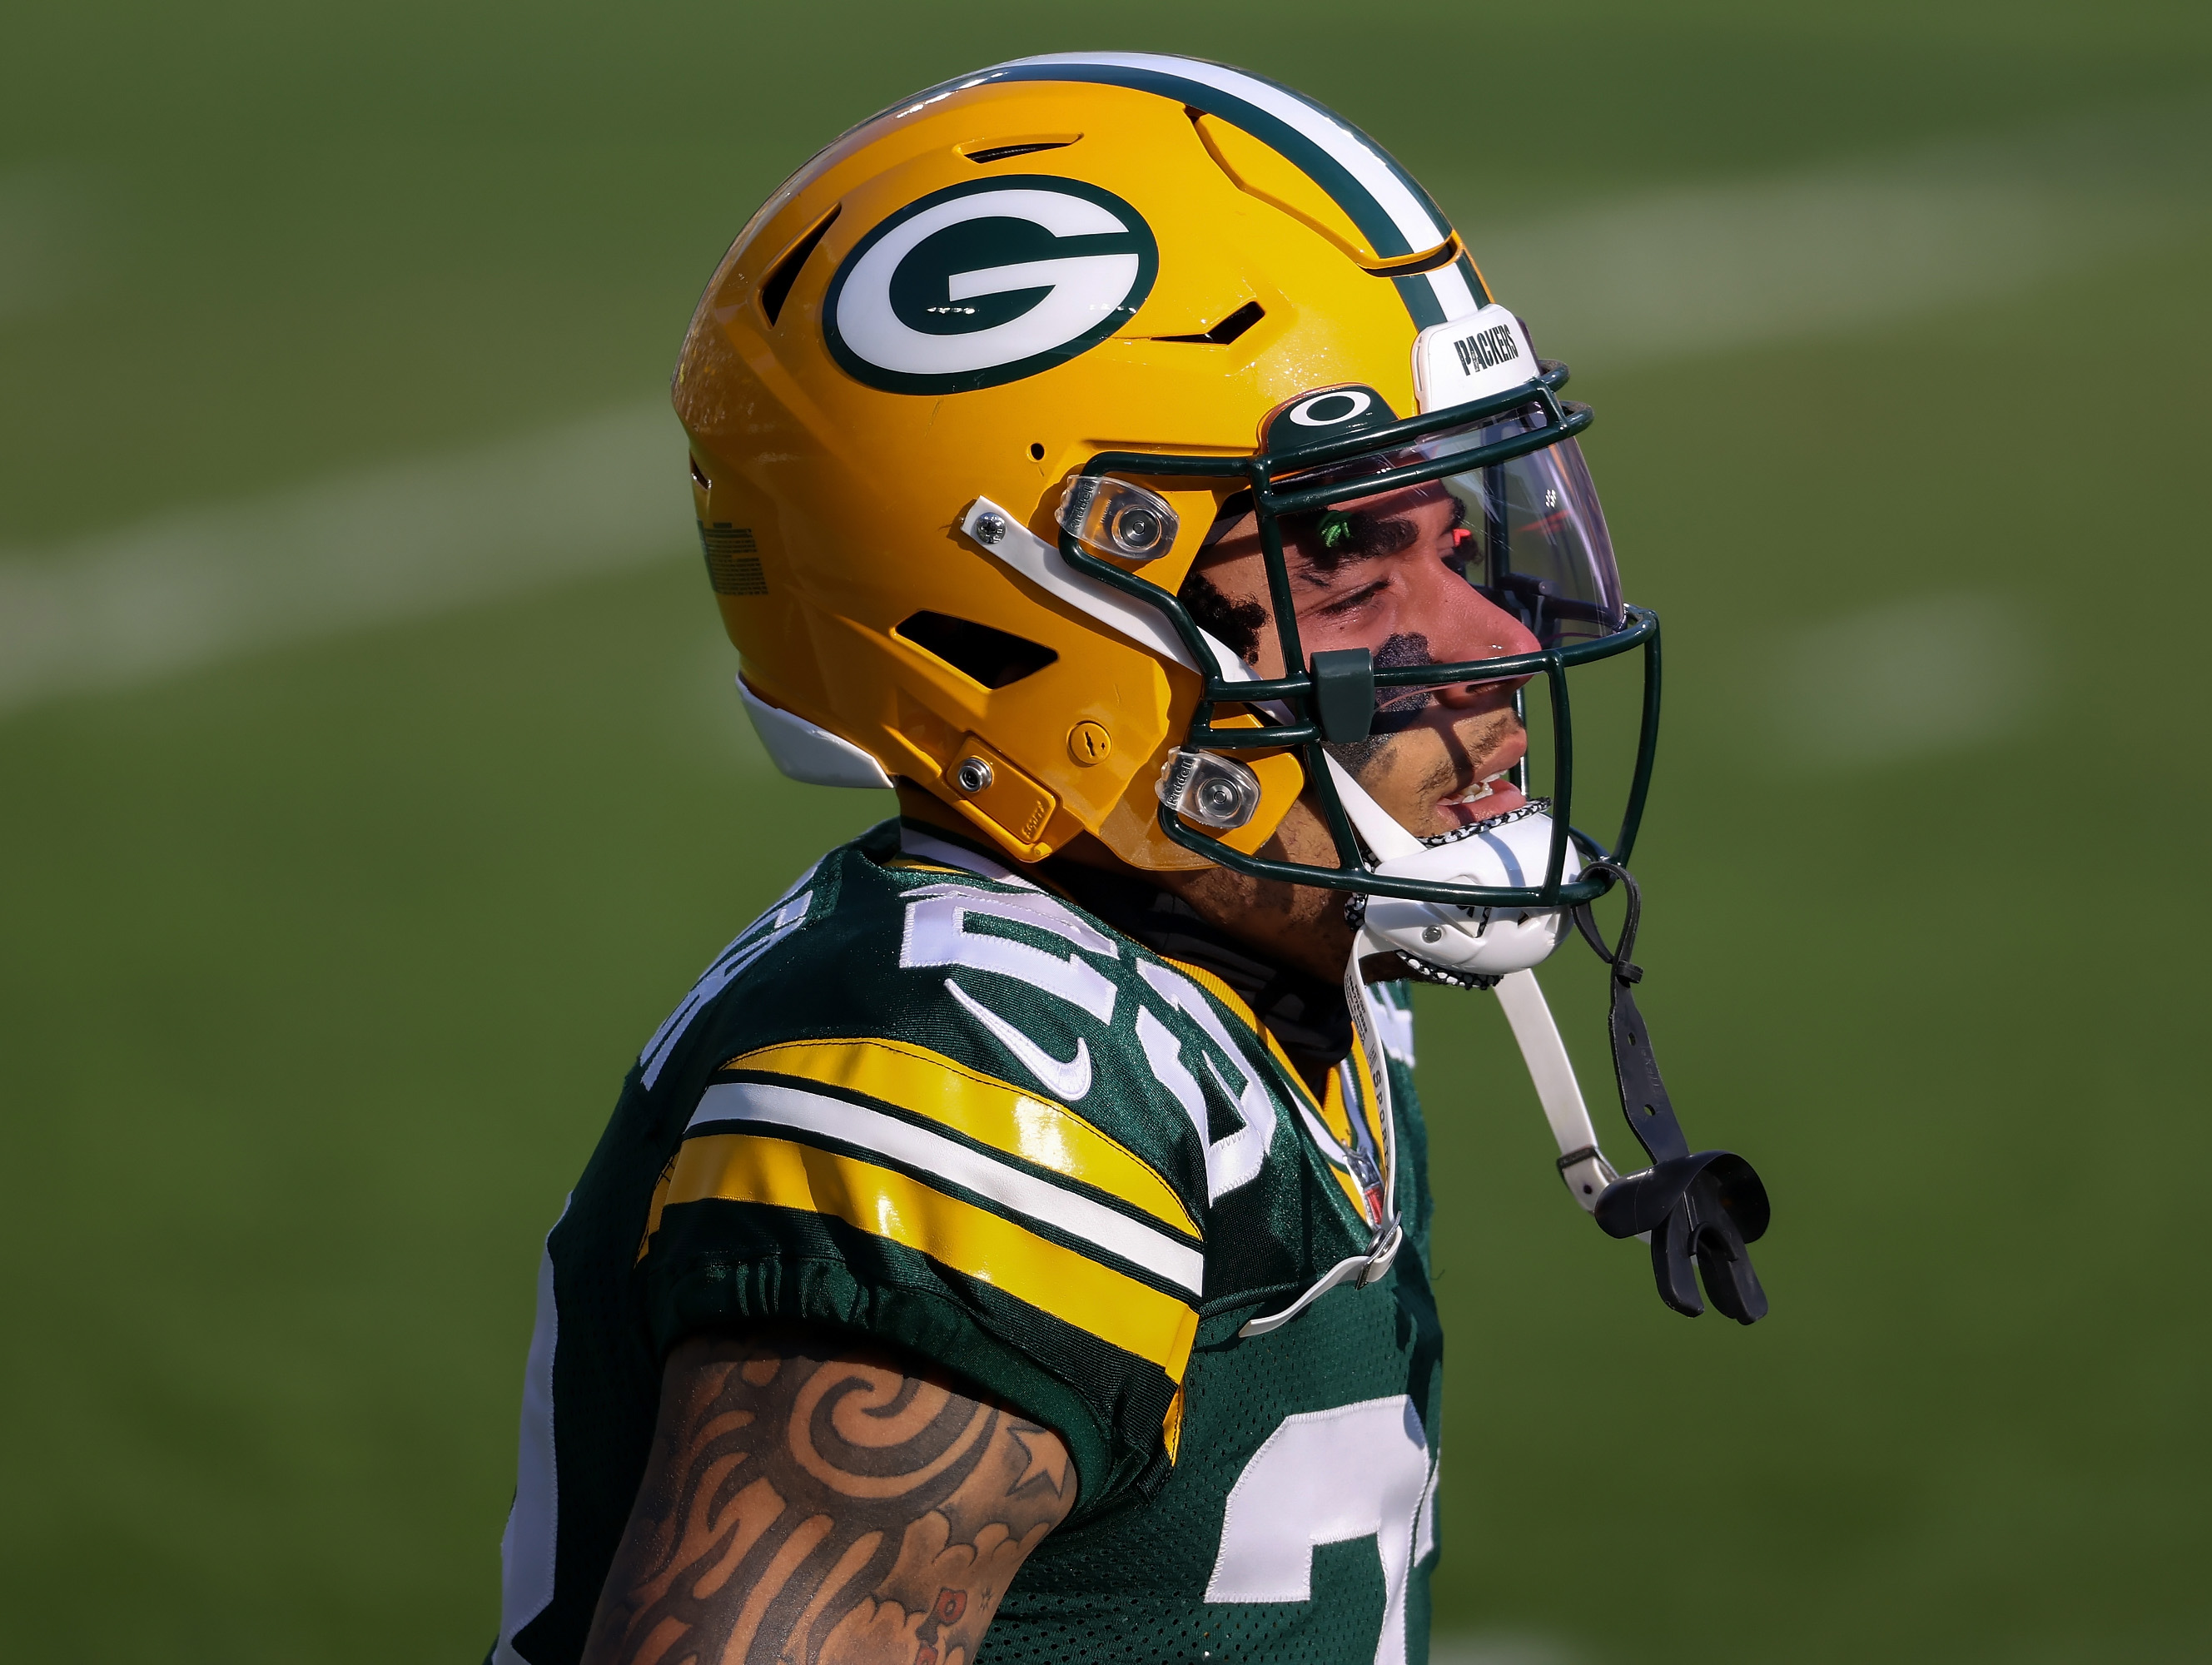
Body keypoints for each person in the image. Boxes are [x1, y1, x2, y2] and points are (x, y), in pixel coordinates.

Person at [486, 51, 1764, 1665]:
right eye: (1336, 551)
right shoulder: (977, 1077)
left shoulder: (1269, 958)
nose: (1495, 635)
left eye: (1460, 526)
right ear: (1029, 600)